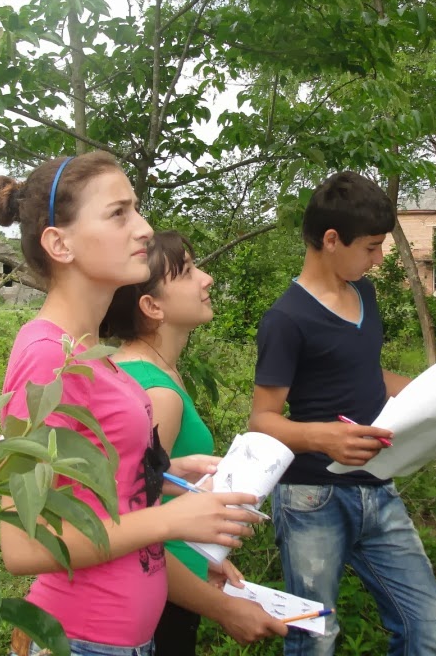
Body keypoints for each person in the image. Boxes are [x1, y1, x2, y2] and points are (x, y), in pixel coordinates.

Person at [0, 153, 263, 656]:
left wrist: (166, 475)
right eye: (118, 213)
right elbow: (24, 545)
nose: (144, 228)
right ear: (60, 244)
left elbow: (98, 496)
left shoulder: (95, 354)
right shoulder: (48, 356)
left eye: (136, 209)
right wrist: (172, 520)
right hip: (79, 640)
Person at [249, 171, 436, 655]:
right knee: (314, 638)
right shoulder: (285, 320)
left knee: (429, 625)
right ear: (331, 239)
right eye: (371, 248)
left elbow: (363, 374)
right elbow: (262, 420)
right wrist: (324, 438)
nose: (378, 260)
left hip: (378, 487)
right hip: (311, 496)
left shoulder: (364, 294)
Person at [101, 230, 288, 654]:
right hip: (160, 598)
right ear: (152, 307)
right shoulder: (157, 394)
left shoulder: (144, 370)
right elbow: (133, 533)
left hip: (174, 582)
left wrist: (204, 559)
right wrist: (222, 609)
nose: (207, 278)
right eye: (186, 272)